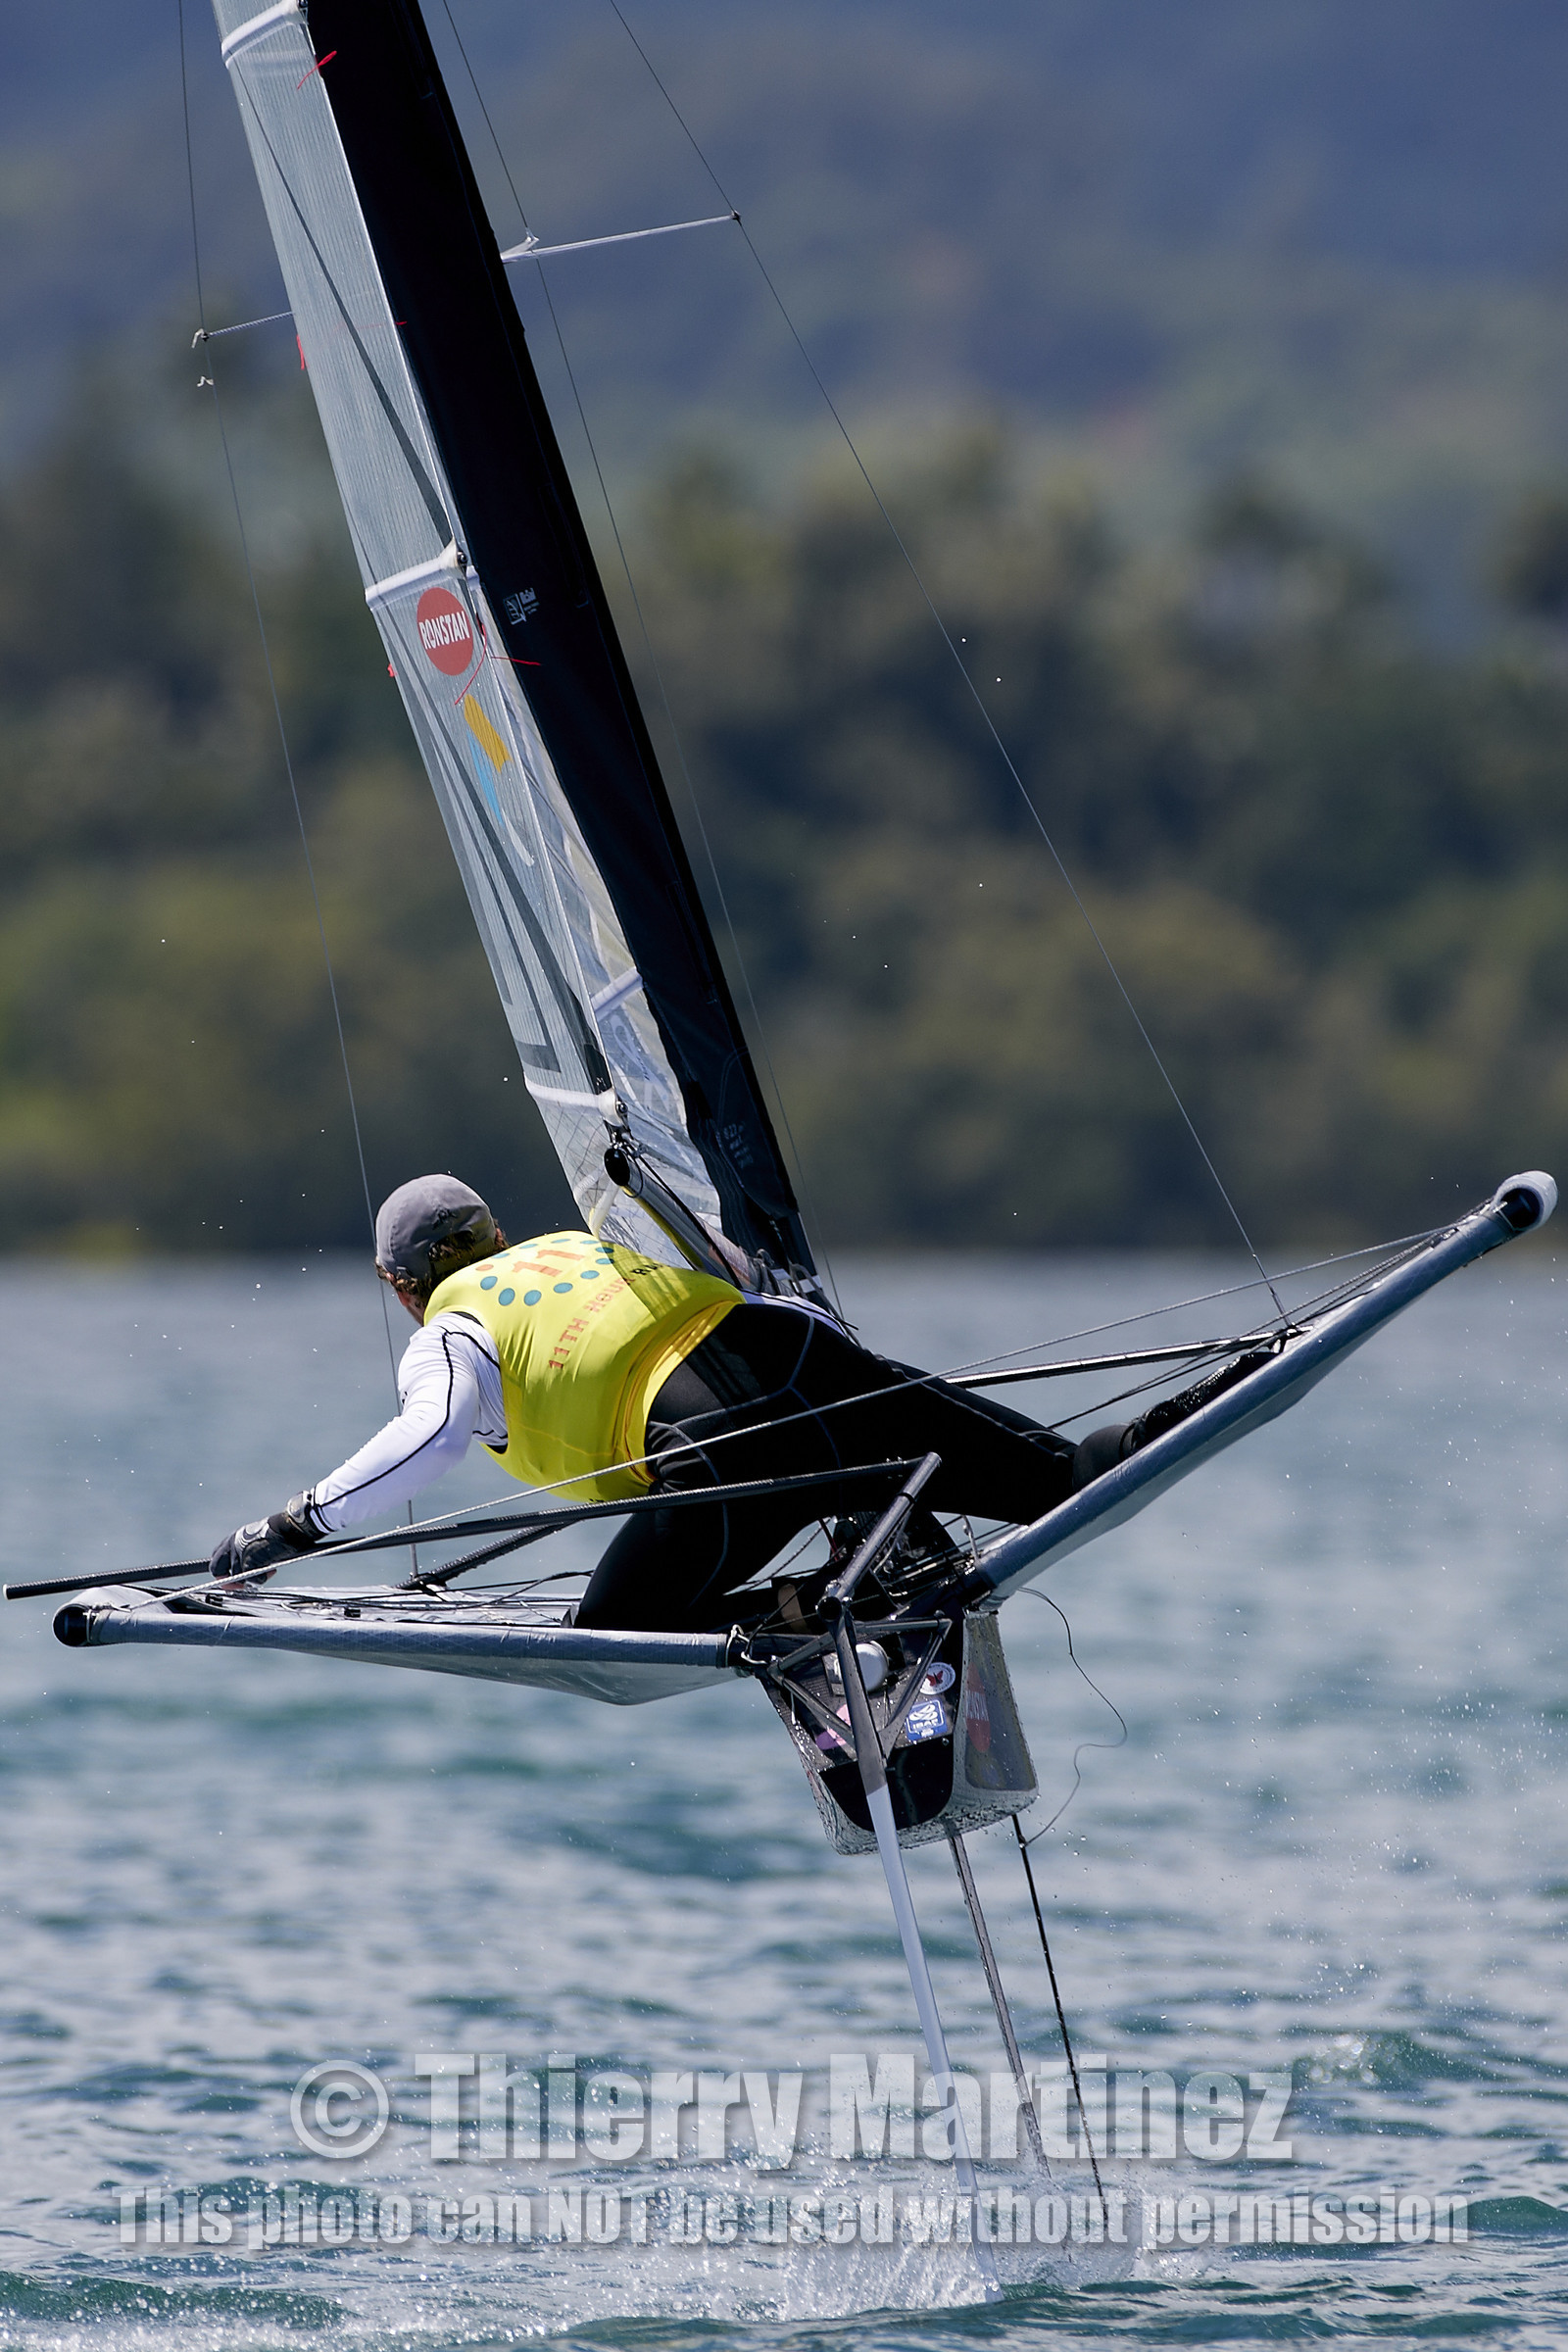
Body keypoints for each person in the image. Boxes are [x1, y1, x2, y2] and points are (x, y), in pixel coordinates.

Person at [209, 1174, 1154, 1632]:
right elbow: (749, 1277)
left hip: (722, 1447)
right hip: (805, 1354)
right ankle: (1213, 1391)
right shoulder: (591, 1240)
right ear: (492, 1231)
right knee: (1064, 1480)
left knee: (608, 1635)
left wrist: (291, 1528)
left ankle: (814, 1605)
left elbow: (434, 1438)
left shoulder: (451, 1329)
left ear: (400, 1283)